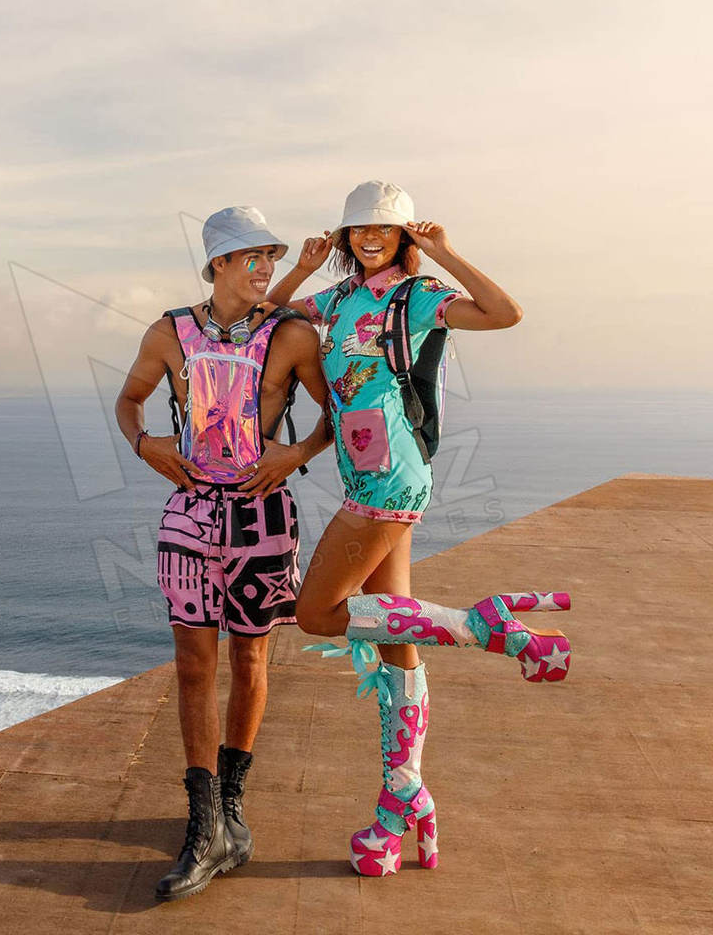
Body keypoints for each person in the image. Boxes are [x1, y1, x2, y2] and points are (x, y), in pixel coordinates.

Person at [266, 180, 573, 876]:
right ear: (346, 237)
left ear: (405, 235)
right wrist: (305, 267)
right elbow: (267, 317)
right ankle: (402, 798)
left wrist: (447, 253)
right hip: (361, 474)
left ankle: (487, 627)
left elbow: (505, 313)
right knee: (396, 639)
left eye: (384, 228)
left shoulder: (421, 296)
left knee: (315, 613)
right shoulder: (337, 301)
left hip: (392, 478)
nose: (369, 238)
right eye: (358, 229)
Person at [115, 205, 332, 900]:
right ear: (217, 264)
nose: (265, 267)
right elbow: (129, 399)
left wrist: (297, 451)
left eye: (271, 256)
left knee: (250, 660)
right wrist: (143, 443)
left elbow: (339, 413)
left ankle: (230, 811)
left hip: (263, 516)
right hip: (190, 515)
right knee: (191, 666)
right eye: (251, 257)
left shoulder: (293, 334)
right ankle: (203, 821)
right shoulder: (168, 331)